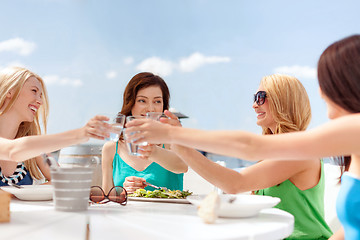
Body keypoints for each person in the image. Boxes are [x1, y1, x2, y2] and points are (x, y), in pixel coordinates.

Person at [126, 35, 360, 240]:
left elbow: (240, 170)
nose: (253, 104)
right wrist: (177, 143)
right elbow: (351, 228)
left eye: (260, 96)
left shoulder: (302, 153)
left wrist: (175, 137)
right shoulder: (327, 145)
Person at [0, 66, 111, 186]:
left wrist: (27, 193)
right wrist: (80, 134)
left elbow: (62, 180)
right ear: (9, 91)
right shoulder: (26, 147)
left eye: (41, 95)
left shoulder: (35, 148)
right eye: (34, 91)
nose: (40, 101)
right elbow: (13, 151)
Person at [101, 72, 188, 194]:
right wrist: (124, 192)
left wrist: (153, 151)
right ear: (130, 103)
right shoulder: (111, 149)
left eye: (157, 101)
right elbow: (107, 198)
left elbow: (182, 166)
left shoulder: (171, 140)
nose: (151, 108)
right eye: (142, 100)